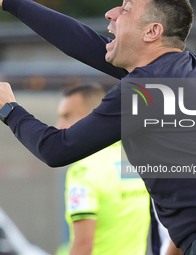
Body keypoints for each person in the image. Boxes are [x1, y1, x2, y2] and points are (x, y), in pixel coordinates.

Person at [0, 0, 196, 254]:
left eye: (125, 8)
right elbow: (81, 42)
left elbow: (58, 148)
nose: (110, 13)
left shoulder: (146, 88)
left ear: (152, 31)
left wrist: (8, 110)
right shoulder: (186, 68)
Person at [54, 84, 150, 255]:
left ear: (92, 119)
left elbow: (84, 245)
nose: (59, 126)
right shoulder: (133, 160)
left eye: (67, 117)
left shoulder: (83, 170)